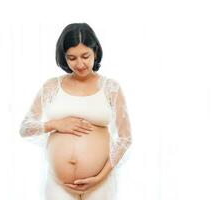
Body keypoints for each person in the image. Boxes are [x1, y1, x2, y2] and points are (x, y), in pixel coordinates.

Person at [19, 23, 132, 200]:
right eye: (72, 58)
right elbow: (25, 128)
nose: (79, 64)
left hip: (100, 184)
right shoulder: (51, 86)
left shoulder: (111, 88)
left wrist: (100, 177)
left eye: (85, 56)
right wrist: (55, 124)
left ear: (95, 52)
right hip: (59, 186)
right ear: (64, 57)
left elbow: (125, 138)